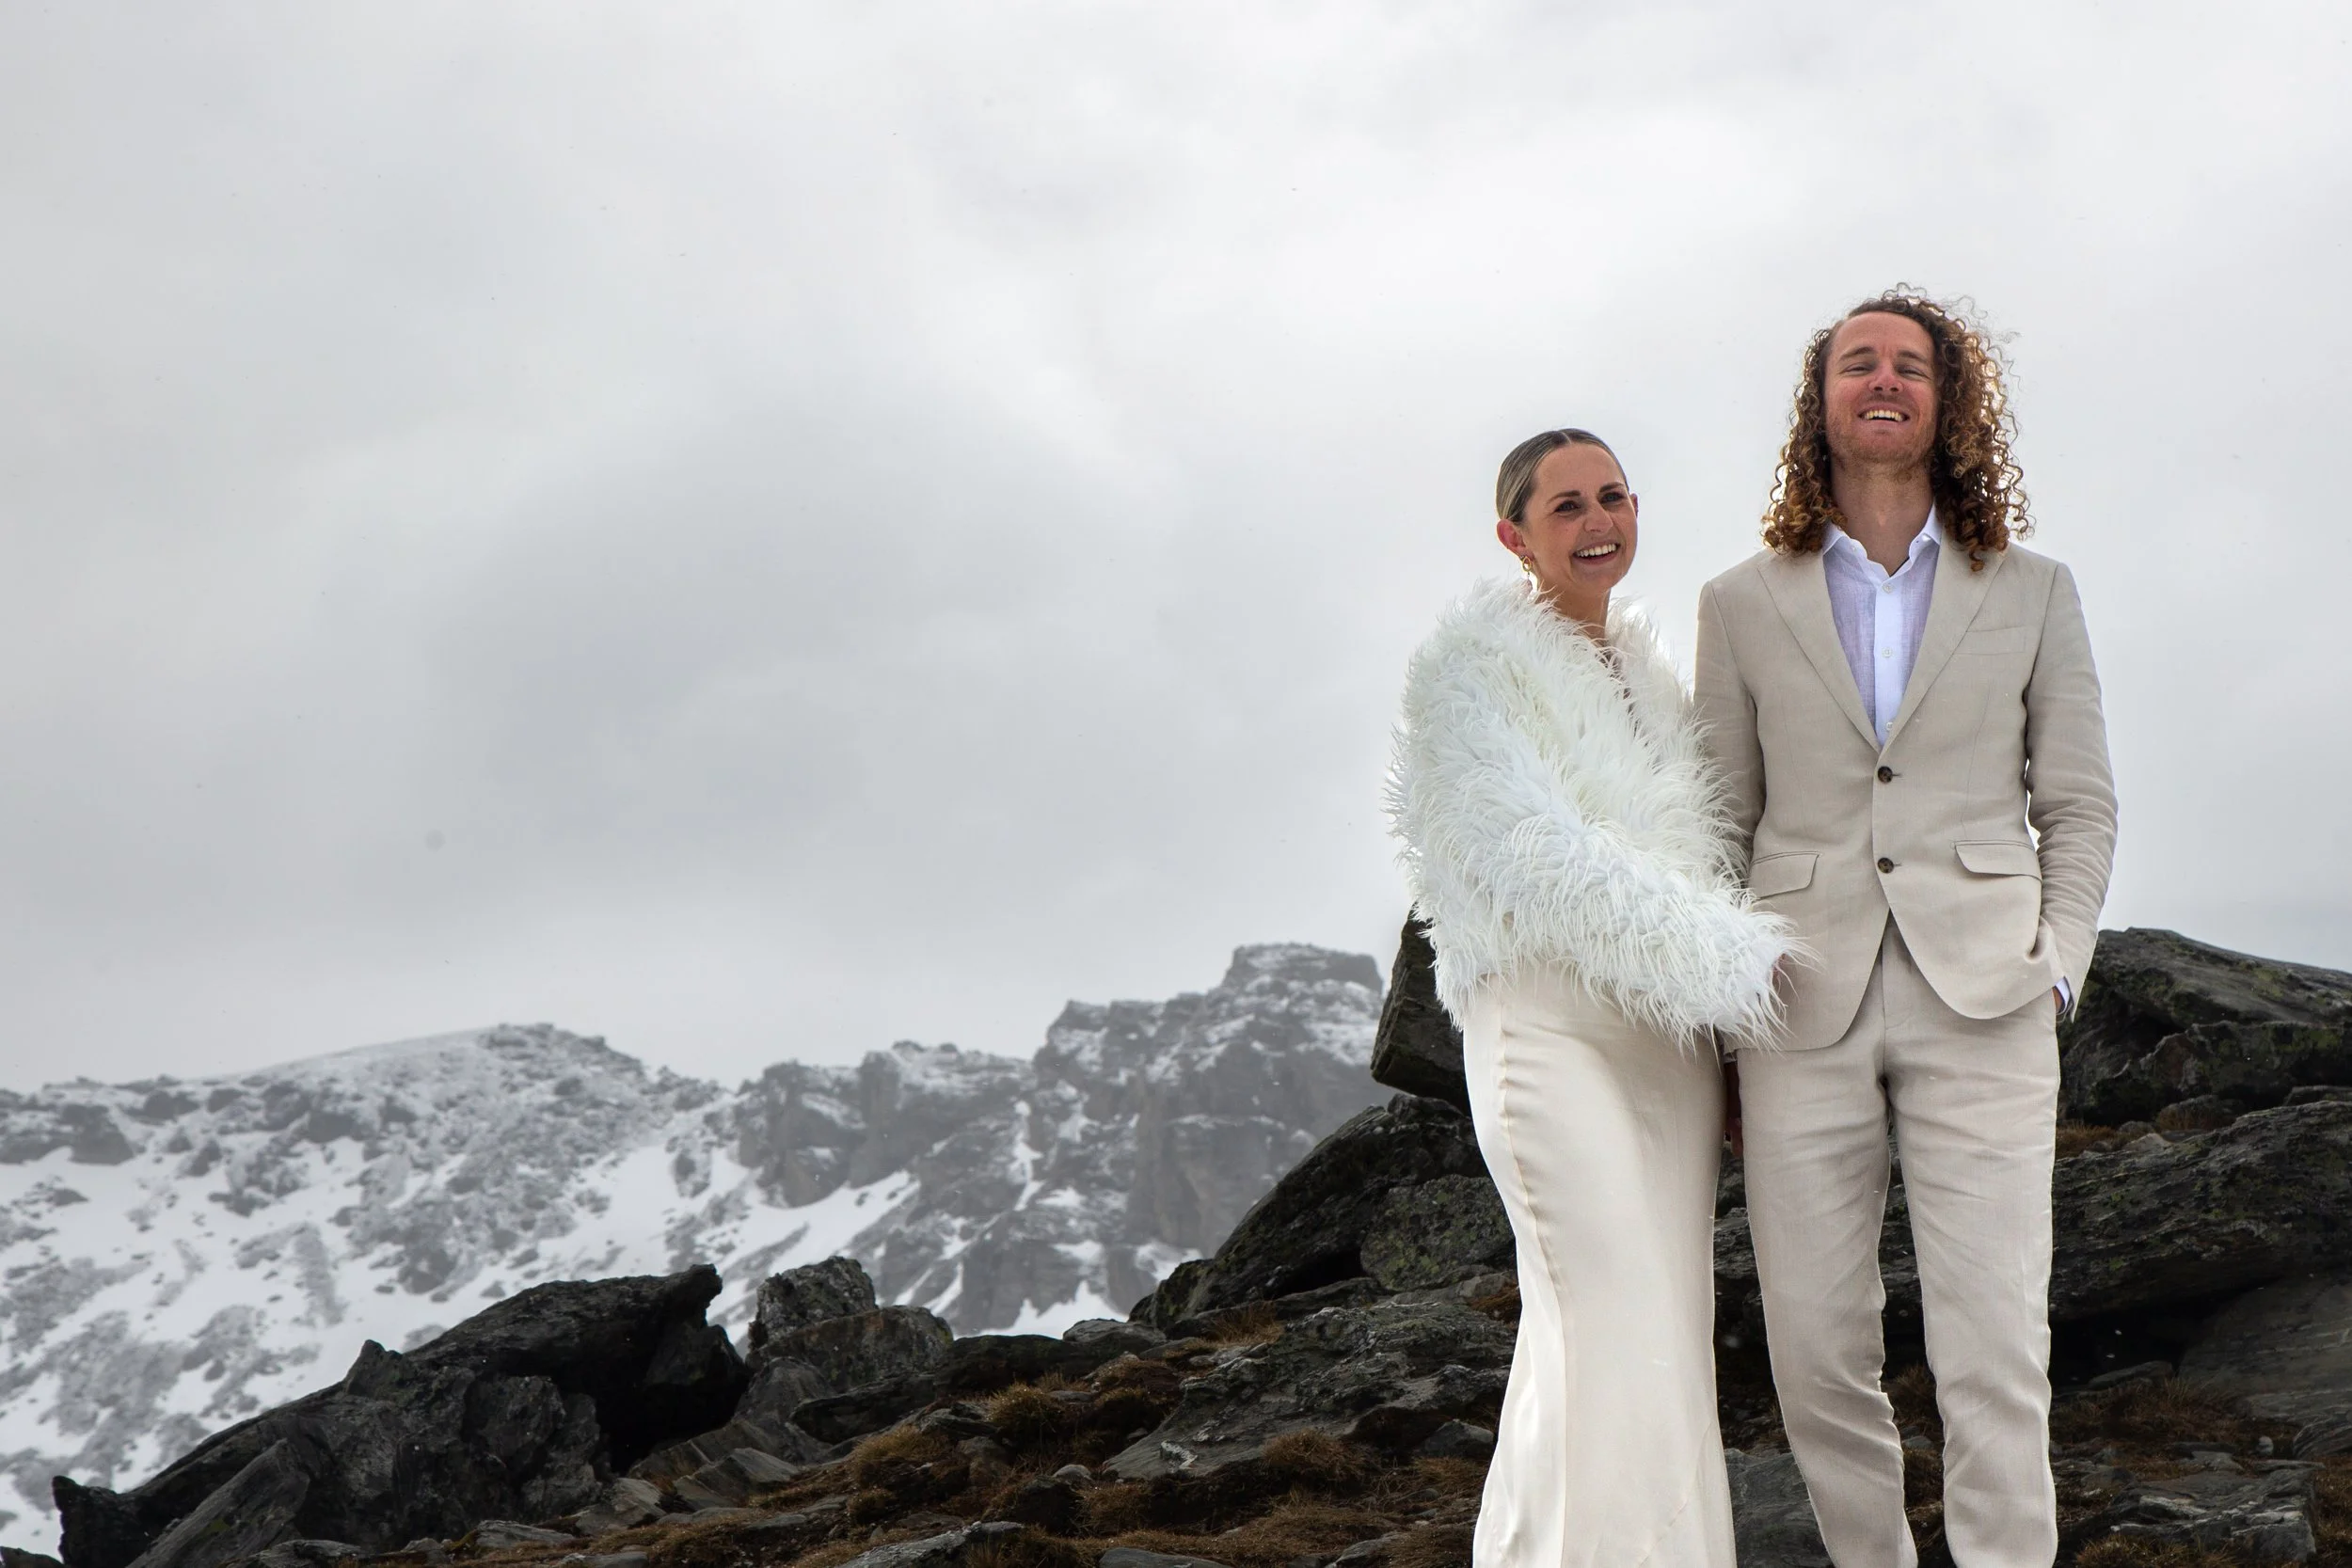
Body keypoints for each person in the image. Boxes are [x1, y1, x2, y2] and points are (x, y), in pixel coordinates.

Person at [1694, 291, 2117, 1567]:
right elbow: (1719, 824)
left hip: (1988, 994)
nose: (1885, 380)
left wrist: (2060, 964)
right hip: (1798, 1004)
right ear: (1820, 401)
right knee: (1817, 1351)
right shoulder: (1739, 599)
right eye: (1857, 363)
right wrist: (1723, 1023)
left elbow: (2081, 798)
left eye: (1912, 365)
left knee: (1997, 1344)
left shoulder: (2034, 588)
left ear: (1950, 401)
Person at [1388, 429, 1796, 1567]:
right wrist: (1737, 961)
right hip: (1547, 1029)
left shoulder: (1659, 681)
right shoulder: (1470, 666)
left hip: (1666, 1050)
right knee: (1611, 1315)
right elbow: (1526, 847)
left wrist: (1723, 1040)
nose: (1596, 519)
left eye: (1613, 494)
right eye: (1564, 504)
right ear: (1514, 534)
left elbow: (1705, 857)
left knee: (1644, 1333)